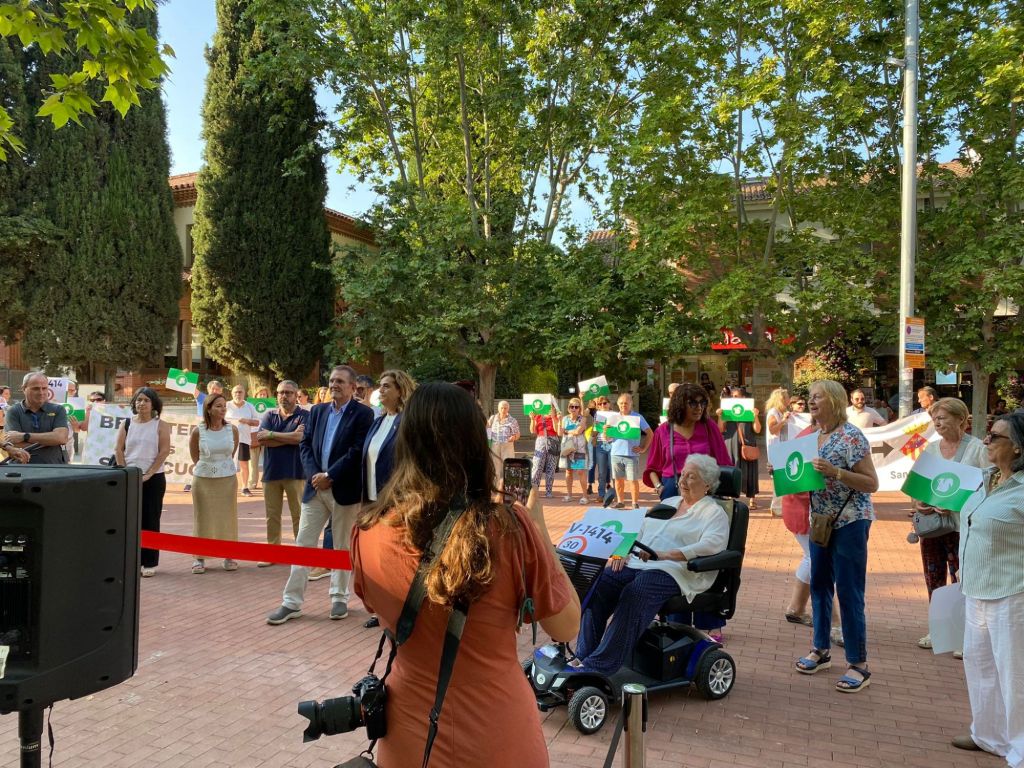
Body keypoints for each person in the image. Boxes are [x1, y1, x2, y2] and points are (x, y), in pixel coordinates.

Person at [352, 382, 580, 767]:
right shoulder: (510, 527)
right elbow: (566, 626)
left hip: (409, 728)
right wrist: (539, 531)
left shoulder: (368, 530)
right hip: (499, 728)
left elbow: (377, 606)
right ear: (476, 444)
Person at [573, 454, 729, 674]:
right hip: (639, 563)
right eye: (683, 474)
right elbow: (639, 528)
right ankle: (583, 655)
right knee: (600, 584)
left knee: (636, 592)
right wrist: (622, 551)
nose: (682, 481)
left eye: (691, 477)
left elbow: (711, 545)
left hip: (674, 570)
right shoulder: (669, 503)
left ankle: (599, 666)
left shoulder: (713, 513)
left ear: (707, 484)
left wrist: (667, 555)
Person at [266, 365, 373, 624]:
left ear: (352, 387)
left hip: (344, 489)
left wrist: (330, 475)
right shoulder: (318, 411)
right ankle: (291, 602)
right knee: (303, 544)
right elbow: (305, 444)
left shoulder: (363, 414)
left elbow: (358, 450)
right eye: (332, 380)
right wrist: (315, 474)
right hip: (315, 489)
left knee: (341, 546)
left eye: (340, 381)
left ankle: (339, 598)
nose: (334, 385)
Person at [794, 380, 879, 693]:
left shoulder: (851, 436)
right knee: (819, 585)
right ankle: (820, 650)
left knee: (849, 590)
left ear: (833, 400)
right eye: (810, 396)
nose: (811, 401)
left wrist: (837, 472)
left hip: (851, 521)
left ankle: (859, 664)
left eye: (817, 396)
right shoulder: (813, 436)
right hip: (821, 521)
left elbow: (871, 483)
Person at [952, 412, 1024, 759]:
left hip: (1012, 591)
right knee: (980, 666)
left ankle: (1020, 749)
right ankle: (988, 735)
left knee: (1014, 675)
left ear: (1018, 447)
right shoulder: (986, 478)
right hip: (976, 587)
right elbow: (972, 521)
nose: (985, 440)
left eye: (995, 436)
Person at [914, 397, 990, 650]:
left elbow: (990, 487)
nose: (937, 423)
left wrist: (959, 503)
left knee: (962, 580)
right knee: (933, 579)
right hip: (933, 527)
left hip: (963, 528)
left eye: (942, 418)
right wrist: (920, 502)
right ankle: (938, 631)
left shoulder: (978, 449)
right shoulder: (931, 449)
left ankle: (962, 635)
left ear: (961, 419)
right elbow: (919, 486)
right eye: (934, 419)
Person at [360, 369, 416, 630]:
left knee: (396, 559)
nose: (380, 390)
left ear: (400, 391)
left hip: (396, 501)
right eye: (380, 386)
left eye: (386, 386)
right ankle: (381, 609)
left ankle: (400, 609)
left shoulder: (407, 423)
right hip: (372, 500)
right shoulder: (378, 421)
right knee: (377, 560)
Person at [115, 387, 171, 577]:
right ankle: (133, 561)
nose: (142, 403)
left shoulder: (161, 425)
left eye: (146, 400)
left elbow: (164, 451)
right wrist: (125, 471)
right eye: (139, 400)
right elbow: (118, 449)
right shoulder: (127, 423)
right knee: (130, 520)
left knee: (151, 519)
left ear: (154, 404)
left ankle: (149, 562)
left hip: (153, 478)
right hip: (130, 476)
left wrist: (149, 473)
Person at [644, 383, 731, 500]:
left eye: (702, 403)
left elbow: (724, 462)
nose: (699, 407)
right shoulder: (663, 431)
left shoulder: (709, 427)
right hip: (672, 492)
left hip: (703, 492)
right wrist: (659, 487)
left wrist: (717, 488)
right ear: (680, 405)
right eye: (693, 403)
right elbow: (652, 468)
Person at [254, 380, 308, 564]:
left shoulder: (305, 415)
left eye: (288, 393)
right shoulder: (269, 415)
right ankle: (273, 553)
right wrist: (289, 437)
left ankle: (301, 554)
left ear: (296, 395)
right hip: (272, 472)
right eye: (280, 392)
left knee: (298, 515)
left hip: (296, 472)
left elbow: (300, 438)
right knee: (272, 515)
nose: (284, 396)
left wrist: (272, 434)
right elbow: (262, 440)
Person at [188, 393, 239, 574]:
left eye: (224, 406)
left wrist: (221, 467)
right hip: (203, 480)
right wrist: (208, 468)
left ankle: (229, 555)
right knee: (203, 517)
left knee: (227, 516)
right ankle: (199, 557)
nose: (223, 409)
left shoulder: (232, 429)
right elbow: (194, 455)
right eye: (218, 406)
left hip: (227, 479)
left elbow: (231, 453)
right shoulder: (198, 431)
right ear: (208, 409)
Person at [1, 371, 70, 464]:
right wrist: (51, 440)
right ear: (24, 389)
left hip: (53, 466)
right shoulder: (13, 411)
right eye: (36, 389)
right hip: (23, 467)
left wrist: (24, 436)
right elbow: (15, 443)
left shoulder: (58, 409)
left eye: (44, 388)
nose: (41, 392)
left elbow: (61, 438)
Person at [718, 387, 762, 509]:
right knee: (732, 468)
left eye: (736, 396)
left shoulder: (749, 410)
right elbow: (720, 429)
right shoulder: (727, 409)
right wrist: (720, 416)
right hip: (731, 443)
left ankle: (752, 499)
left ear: (743, 397)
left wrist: (756, 416)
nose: (733, 398)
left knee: (750, 470)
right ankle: (730, 496)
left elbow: (757, 429)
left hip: (747, 442)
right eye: (732, 396)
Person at [609, 392, 653, 509]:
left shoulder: (637, 417)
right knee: (618, 480)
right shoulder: (613, 418)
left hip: (631, 454)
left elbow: (650, 433)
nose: (623, 405)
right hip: (616, 453)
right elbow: (607, 437)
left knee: (633, 480)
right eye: (621, 403)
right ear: (618, 404)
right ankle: (620, 502)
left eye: (626, 403)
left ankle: (635, 503)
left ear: (631, 404)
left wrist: (643, 448)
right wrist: (604, 431)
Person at [185, 380, 223, 493]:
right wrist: (186, 376)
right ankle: (189, 482)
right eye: (213, 389)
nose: (215, 391)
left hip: (215, 433)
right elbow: (192, 388)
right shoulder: (202, 398)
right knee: (194, 456)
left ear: (221, 391)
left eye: (217, 389)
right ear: (208, 390)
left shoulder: (223, 402)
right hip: (200, 432)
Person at [226, 385, 260, 497]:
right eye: (235, 392)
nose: (238, 394)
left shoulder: (250, 406)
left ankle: (244, 487)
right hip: (227, 440)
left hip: (244, 440)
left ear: (244, 393)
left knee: (244, 465)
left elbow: (257, 422)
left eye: (240, 392)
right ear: (232, 394)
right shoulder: (226, 405)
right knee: (226, 464)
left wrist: (246, 421)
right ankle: (227, 487)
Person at [765, 387, 792, 515]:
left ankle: (779, 506)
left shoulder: (781, 412)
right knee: (779, 477)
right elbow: (772, 429)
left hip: (782, 449)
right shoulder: (773, 412)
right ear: (781, 399)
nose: (789, 399)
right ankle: (776, 507)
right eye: (787, 397)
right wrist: (783, 421)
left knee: (782, 477)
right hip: (776, 449)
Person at [560, 397, 589, 503]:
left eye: (576, 407)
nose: (574, 409)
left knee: (580, 471)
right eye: (571, 406)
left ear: (579, 409)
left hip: (579, 449)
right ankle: (569, 495)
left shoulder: (583, 418)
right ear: (568, 408)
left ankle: (585, 496)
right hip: (567, 448)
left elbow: (578, 431)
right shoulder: (564, 419)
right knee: (568, 471)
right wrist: (558, 422)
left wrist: (567, 431)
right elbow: (560, 432)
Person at [528, 401, 560, 498]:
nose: (549, 408)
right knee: (537, 465)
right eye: (547, 406)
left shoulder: (557, 416)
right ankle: (534, 490)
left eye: (551, 406)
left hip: (553, 441)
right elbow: (532, 431)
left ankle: (549, 491)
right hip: (540, 441)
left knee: (551, 467)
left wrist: (553, 417)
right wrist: (532, 419)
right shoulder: (538, 416)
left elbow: (557, 430)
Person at [487, 400, 520, 487]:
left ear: (508, 409)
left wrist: (514, 437)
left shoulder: (512, 420)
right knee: (495, 467)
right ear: (498, 408)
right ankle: (495, 487)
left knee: (508, 467)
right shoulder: (493, 418)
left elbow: (517, 434)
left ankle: (508, 487)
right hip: (495, 446)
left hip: (507, 446)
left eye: (505, 408)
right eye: (501, 408)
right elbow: (487, 429)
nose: (503, 410)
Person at [589, 396, 614, 501]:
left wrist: (608, 429)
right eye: (600, 404)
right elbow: (594, 432)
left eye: (605, 403)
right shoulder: (597, 415)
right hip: (600, 444)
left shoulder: (615, 415)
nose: (603, 405)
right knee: (601, 471)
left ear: (609, 404)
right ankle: (601, 494)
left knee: (614, 470)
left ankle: (616, 494)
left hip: (613, 444)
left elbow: (618, 431)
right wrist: (596, 428)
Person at [250, 385, 272, 490]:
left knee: (267, 461)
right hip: (253, 436)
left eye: (264, 394)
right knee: (252, 462)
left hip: (266, 436)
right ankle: (252, 483)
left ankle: (266, 482)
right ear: (256, 395)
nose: (262, 396)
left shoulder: (271, 406)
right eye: (260, 394)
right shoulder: (250, 405)